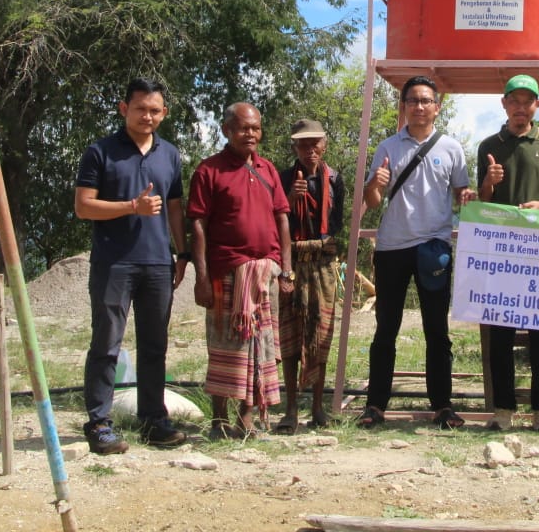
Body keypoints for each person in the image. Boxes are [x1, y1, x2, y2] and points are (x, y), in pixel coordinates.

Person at [74, 78, 188, 454]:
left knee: (155, 345)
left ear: (164, 113)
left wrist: (182, 251)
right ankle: (99, 422)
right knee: (107, 343)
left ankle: (154, 419)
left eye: (155, 110)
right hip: (114, 263)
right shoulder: (100, 152)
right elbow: (83, 206)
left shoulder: (170, 154)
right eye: (141, 109)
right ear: (124, 109)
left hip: (157, 263)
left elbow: (174, 206)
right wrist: (129, 207)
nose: (148, 116)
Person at [359, 75, 474, 430]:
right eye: (413, 100)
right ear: (403, 106)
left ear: (437, 108)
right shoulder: (388, 147)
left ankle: (442, 406)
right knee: (386, 330)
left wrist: (469, 198)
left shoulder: (452, 149)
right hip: (393, 247)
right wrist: (373, 186)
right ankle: (375, 405)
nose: (420, 107)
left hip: (433, 248)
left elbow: (461, 196)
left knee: (437, 331)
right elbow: (373, 201)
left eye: (426, 101)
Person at [186, 102, 295, 439]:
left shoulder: (268, 169)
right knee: (224, 344)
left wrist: (286, 270)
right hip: (226, 272)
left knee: (259, 346)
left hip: (266, 275)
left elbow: (281, 218)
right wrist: (201, 279)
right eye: (244, 128)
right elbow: (198, 225)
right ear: (227, 130)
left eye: (256, 128)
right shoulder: (209, 171)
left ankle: (247, 418)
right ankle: (219, 420)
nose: (251, 134)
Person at [475, 75, 539, 432]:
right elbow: (481, 199)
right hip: (501, 252)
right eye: (513, 101)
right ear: (504, 104)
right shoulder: (489, 144)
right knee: (500, 334)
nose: (520, 107)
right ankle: (502, 411)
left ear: (537, 105)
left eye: (527, 101)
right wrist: (490, 181)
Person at [275, 118, 345, 432]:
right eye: (303, 144)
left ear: (324, 145)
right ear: (295, 147)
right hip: (291, 262)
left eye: (315, 143)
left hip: (324, 264)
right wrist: (290, 198)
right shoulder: (282, 178)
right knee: (291, 337)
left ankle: (317, 407)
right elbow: (273, 220)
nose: (310, 149)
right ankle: (290, 409)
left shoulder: (335, 179)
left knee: (321, 336)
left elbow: (338, 224)